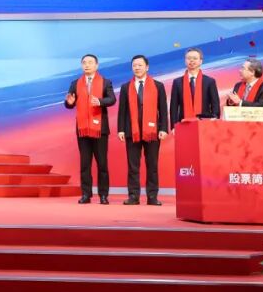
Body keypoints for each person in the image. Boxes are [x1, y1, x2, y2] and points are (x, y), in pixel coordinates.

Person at [117, 54, 169, 206]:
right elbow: (122, 110)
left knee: (152, 165)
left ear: (147, 67)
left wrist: (164, 128)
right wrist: (121, 129)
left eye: (140, 65)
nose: (137, 68)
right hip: (131, 131)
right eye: (134, 65)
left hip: (152, 132)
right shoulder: (126, 87)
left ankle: (152, 196)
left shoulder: (158, 86)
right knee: (133, 166)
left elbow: (163, 109)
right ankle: (133, 196)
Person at [64, 53, 116, 204]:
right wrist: (69, 103)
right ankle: (86, 194)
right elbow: (69, 103)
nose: (87, 65)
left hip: (100, 130)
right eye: (84, 62)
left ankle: (103, 195)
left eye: (90, 62)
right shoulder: (75, 83)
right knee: (85, 164)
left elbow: (112, 99)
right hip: (82, 129)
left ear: (96, 65)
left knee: (102, 164)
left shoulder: (105, 82)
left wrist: (100, 101)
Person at [168, 47, 221, 126]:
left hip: (205, 125)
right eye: (189, 58)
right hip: (183, 125)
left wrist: (215, 118)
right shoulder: (177, 82)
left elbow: (215, 105)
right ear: (185, 61)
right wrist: (174, 126)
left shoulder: (209, 81)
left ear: (200, 61)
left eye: (195, 58)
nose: (191, 60)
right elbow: (173, 108)